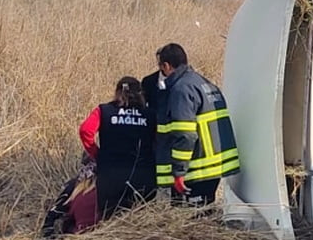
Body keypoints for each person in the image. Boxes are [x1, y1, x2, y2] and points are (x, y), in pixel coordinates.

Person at [154, 43, 240, 204]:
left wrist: (179, 173)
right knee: (204, 215)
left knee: (189, 221)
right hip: (212, 169)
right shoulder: (202, 82)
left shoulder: (181, 90)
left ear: (166, 66)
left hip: (196, 172)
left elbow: (185, 134)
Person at [79, 76, 156, 219]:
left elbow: (85, 130)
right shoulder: (151, 114)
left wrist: (96, 154)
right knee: (142, 220)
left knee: (110, 221)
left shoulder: (104, 110)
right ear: (141, 94)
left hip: (110, 175)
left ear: (117, 92)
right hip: (143, 175)